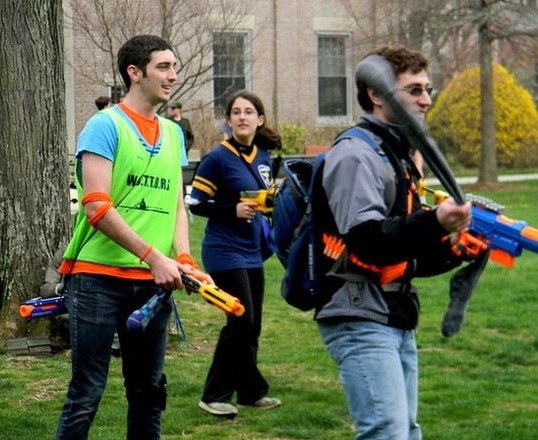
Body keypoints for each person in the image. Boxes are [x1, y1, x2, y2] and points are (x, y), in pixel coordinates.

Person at [314, 46, 477, 440]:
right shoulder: (356, 154)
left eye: (428, 89)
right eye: (415, 89)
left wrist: (457, 247)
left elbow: (407, 252)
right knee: (386, 432)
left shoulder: (395, 155)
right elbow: (367, 242)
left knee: (406, 431)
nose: (426, 99)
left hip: (393, 312)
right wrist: (434, 220)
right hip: (357, 312)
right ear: (377, 93)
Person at [55, 34, 206, 440]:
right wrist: (155, 256)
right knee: (86, 394)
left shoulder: (174, 134)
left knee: (148, 395)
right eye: (164, 67)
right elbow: (96, 206)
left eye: (174, 66)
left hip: (152, 286)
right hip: (96, 279)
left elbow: (177, 204)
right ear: (134, 73)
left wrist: (185, 259)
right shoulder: (104, 125)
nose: (173, 75)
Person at [186, 90, 282, 418]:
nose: (242, 117)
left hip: (252, 252)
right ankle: (214, 395)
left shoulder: (264, 157)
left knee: (252, 326)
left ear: (260, 119)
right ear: (228, 121)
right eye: (236, 112)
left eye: (248, 112)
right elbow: (195, 202)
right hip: (223, 253)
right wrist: (232, 210)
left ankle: (250, 392)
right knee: (240, 320)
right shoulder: (217, 158)